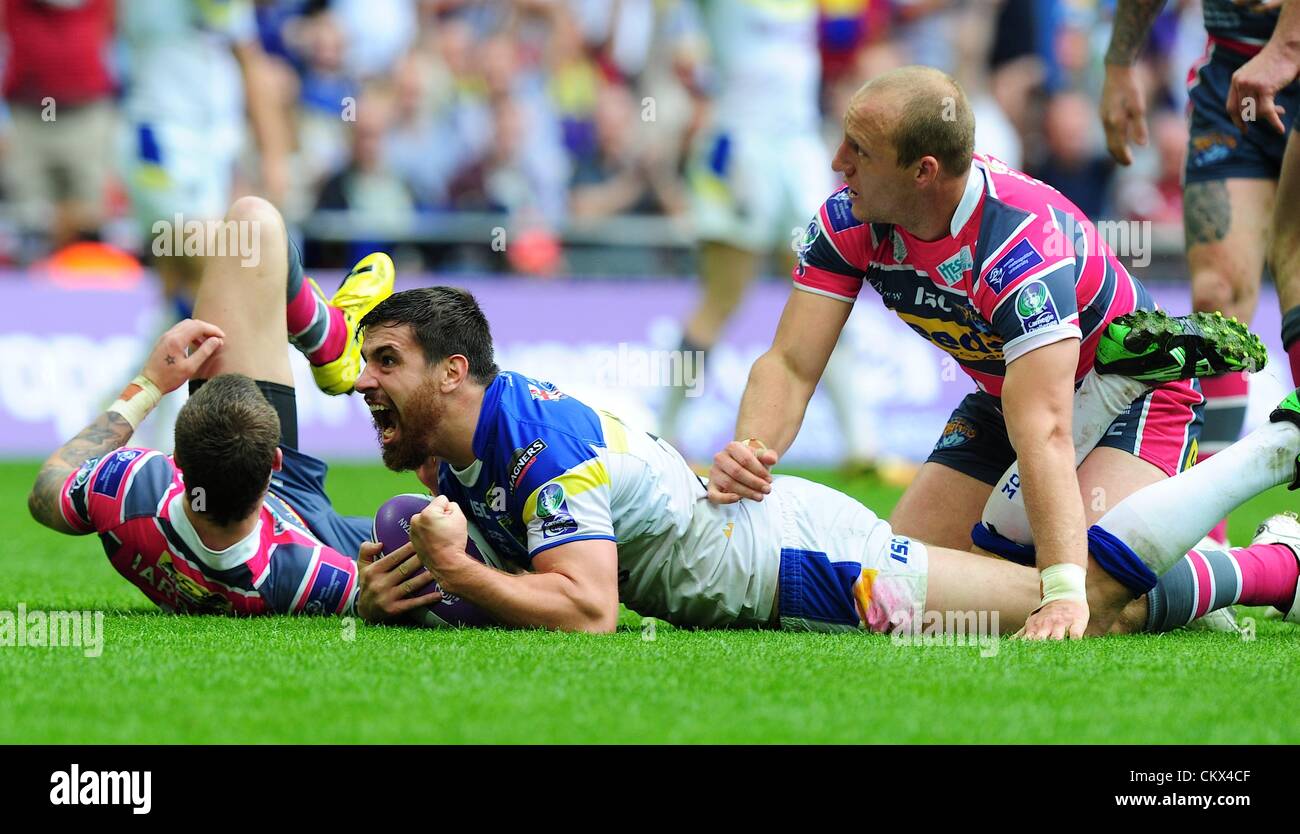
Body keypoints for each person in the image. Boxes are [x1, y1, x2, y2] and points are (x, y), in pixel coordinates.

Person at [352, 286, 1299, 641]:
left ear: (455, 371)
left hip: (814, 572)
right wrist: (385, 580)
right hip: (787, 540)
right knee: (1035, 585)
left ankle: (1273, 468)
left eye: (385, 363)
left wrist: (461, 573)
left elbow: (592, 612)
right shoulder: (468, 447)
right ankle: (1127, 415)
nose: (364, 383)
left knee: (1084, 609)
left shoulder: (537, 449)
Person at [703, 66, 1253, 640]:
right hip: (1007, 398)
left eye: (859, 150)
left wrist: (1063, 592)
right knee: (893, 593)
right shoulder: (847, 218)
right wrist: (750, 451)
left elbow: (1045, 429)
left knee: (1089, 603)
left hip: (1130, 397)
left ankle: (1265, 566)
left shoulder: (1017, 243)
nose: (837, 161)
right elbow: (790, 364)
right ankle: (1156, 550)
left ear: (923, 172)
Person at [26, 197, 395, 615]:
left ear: (177, 462)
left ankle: (331, 341)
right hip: (311, 527)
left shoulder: (129, 492)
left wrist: (150, 383)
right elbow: (379, 593)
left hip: (249, 499)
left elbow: (46, 490)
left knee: (248, 230)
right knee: (449, 536)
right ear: (275, 461)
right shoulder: (310, 570)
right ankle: (328, 336)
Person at [1101, 0, 1297, 541]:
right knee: (1217, 298)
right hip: (1230, 83)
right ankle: (1206, 535)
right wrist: (1119, 64)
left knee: (1296, 275)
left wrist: (1285, 48)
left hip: (1291, 65)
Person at [1225, 0, 1300, 387]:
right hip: (1232, 65)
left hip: (1270, 62)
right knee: (1219, 289)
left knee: (1294, 244)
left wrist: (1287, 45)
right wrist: (1120, 65)